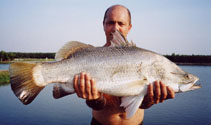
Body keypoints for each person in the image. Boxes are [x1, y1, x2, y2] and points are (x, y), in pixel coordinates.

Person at [73, 5, 175, 125]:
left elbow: (142, 104)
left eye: (121, 23)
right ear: (104, 25)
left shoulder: (145, 60)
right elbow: (97, 105)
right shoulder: (90, 59)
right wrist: (94, 99)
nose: (115, 28)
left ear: (129, 27)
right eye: (111, 22)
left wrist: (150, 100)